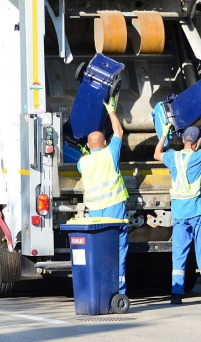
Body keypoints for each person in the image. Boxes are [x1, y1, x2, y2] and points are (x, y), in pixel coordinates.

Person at [154, 112, 201, 304]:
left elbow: (156, 154)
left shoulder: (173, 157)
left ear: (184, 141)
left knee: (179, 253)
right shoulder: (199, 156)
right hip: (197, 212)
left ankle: (176, 294)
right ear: (196, 143)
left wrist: (163, 134)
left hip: (179, 213)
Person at [77, 96, 129, 294]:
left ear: (89, 146)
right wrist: (111, 111)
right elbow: (119, 131)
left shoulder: (84, 163)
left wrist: (86, 152)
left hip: (96, 213)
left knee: (98, 252)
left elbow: (82, 161)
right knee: (118, 252)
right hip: (115, 209)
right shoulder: (110, 153)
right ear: (105, 142)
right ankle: (119, 293)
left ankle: (100, 290)